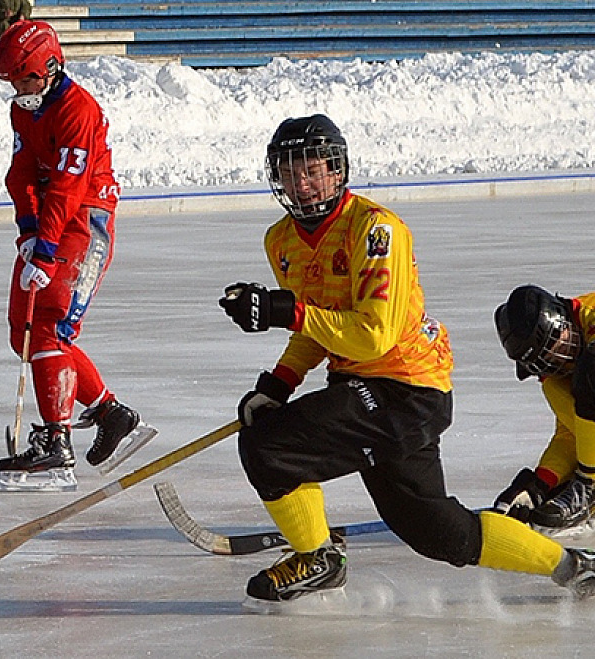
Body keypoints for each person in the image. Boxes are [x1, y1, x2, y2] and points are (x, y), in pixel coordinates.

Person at [218, 113, 595, 606]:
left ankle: (317, 557)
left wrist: (284, 312)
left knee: (269, 449)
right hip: (365, 388)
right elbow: (320, 324)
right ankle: (574, 567)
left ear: (338, 171)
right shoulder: (281, 242)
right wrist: (279, 382)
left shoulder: (377, 231)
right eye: (290, 173)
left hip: (405, 389)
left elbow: (372, 336)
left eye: (313, 170)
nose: (303, 185)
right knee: (437, 532)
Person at [0, 20, 153, 491]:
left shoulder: (78, 109)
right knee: (22, 330)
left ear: (48, 66)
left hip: (85, 219)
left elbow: (68, 187)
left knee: (49, 327)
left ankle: (56, 446)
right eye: (11, 81)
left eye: (25, 78)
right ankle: (110, 412)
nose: (18, 89)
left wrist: (44, 252)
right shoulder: (24, 110)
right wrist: (28, 231)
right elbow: (21, 172)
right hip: (48, 221)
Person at [493, 284, 595, 530]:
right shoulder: (559, 377)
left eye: (557, 347)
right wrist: (541, 483)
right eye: (547, 363)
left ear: (562, 320)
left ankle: (590, 484)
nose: (561, 362)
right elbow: (572, 435)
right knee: (560, 385)